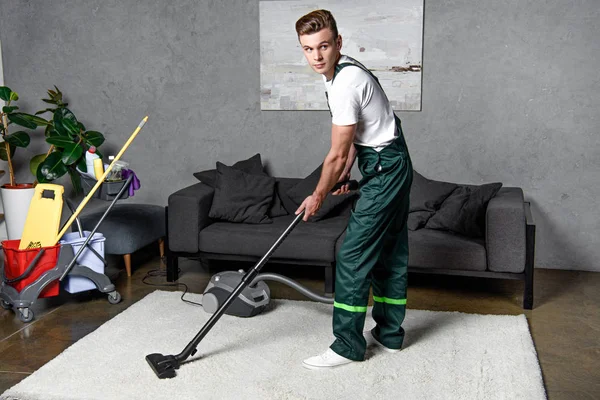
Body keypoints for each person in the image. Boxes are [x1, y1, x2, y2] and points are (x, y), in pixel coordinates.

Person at [294, 9, 414, 370]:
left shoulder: (345, 83)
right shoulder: (339, 74)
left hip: (385, 171)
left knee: (351, 255)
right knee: (390, 251)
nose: (316, 56)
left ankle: (347, 345)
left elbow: (335, 154)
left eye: (324, 46)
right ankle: (390, 336)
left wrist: (317, 195)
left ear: (338, 43)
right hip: (392, 163)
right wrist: (344, 174)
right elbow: (349, 148)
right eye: (308, 48)